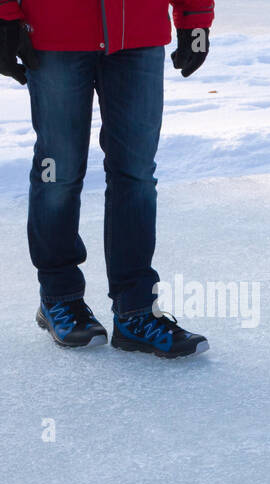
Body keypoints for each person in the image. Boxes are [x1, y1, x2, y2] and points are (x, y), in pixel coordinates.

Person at [0, 0, 215, 358]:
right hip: (56, 33)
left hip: (138, 34)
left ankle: (136, 311)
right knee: (59, 171)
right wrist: (5, 17)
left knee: (137, 174)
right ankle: (59, 296)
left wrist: (195, 16)